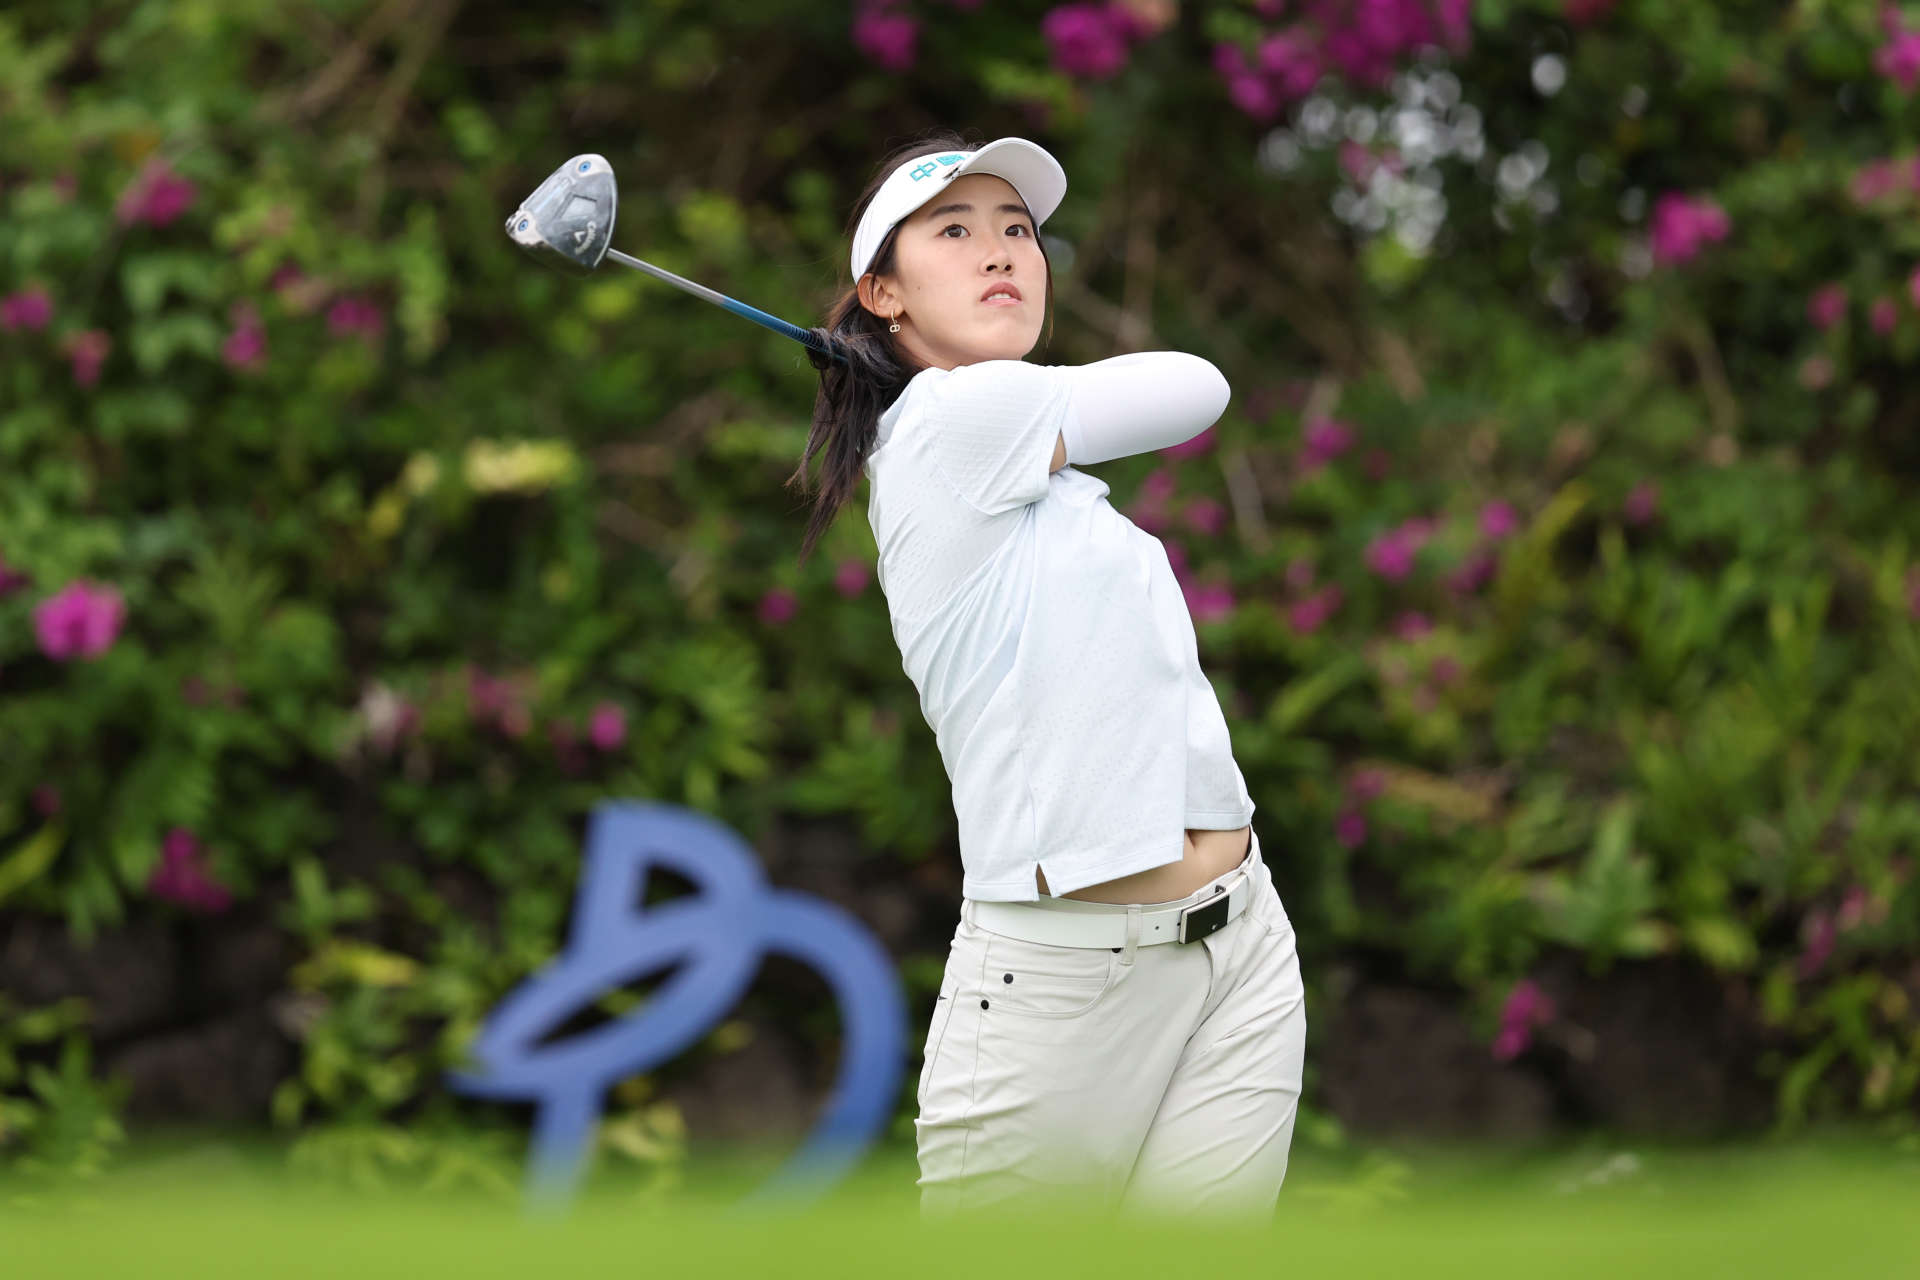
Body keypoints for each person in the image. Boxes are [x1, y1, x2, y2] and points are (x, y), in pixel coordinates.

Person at [787, 129, 1307, 1219]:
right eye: (956, 229)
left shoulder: (1041, 472)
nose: (1003, 252)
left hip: (1239, 941)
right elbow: (1197, 384)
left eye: (1020, 230)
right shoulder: (947, 421)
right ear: (882, 292)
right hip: (1065, 981)